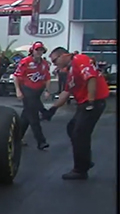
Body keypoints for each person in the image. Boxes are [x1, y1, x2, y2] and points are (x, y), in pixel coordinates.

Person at [40, 47, 110, 180]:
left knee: (79, 133)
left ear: (64, 55)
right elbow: (66, 92)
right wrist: (52, 109)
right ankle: (85, 161)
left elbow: (91, 78)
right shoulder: (70, 71)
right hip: (84, 104)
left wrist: (90, 100)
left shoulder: (79, 59)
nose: (54, 64)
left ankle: (80, 169)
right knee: (73, 129)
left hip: (92, 103)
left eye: (55, 60)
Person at [14, 41, 52, 150]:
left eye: (41, 50)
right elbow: (16, 76)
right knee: (33, 117)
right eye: (37, 50)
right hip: (27, 90)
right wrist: (18, 90)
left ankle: (17, 138)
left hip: (37, 91)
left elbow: (47, 78)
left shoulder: (44, 64)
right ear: (32, 51)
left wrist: (47, 90)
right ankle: (41, 141)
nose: (39, 52)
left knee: (26, 116)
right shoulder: (25, 62)